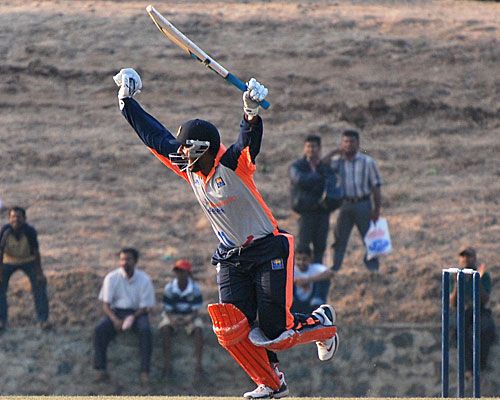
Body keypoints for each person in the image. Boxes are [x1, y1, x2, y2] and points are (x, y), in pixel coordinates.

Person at [113, 68, 339, 399]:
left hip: (267, 249)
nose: (181, 154)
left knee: (275, 332)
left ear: (203, 148)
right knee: (233, 329)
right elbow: (154, 136)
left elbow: (248, 143)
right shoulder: (189, 168)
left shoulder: (233, 165)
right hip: (232, 256)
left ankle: (323, 324)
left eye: (187, 148)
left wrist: (250, 112)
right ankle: (271, 382)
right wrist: (126, 101)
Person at [93, 247, 155, 385]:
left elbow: (146, 306)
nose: (124, 262)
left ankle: (145, 372)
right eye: (122, 259)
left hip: (138, 313)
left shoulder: (144, 279)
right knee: (99, 330)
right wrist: (115, 320)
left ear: (135, 261)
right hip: (116, 312)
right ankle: (100, 369)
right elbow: (106, 305)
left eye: (128, 259)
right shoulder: (111, 277)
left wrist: (132, 317)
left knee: (145, 331)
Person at [325, 129, 383, 271]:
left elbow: (376, 187)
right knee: (339, 239)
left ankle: (373, 269)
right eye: (345, 142)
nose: (348, 145)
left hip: (363, 204)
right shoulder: (337, 162)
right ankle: (335, 268)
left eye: (352, 142)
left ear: (358, 143)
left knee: (370, 239)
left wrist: (376, 209)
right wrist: (334, 152)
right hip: (344, 204)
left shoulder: (367, 162)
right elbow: (321, 166)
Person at [0, 206, 50, 331]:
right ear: (9, 219)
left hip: (28, 261)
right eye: (13, 217)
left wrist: (39, 273)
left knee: (39, 285)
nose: (16, 219)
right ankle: (2, 321)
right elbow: (0, 252)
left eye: (19, 217)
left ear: (24, 219)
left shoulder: (30, 231)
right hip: (8, 261)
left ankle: (43, 320)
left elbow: (36, 252)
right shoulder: (4, 231)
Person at [450, 246, 496, 378]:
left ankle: (480, 367)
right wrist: (457, 284)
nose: (465, 259)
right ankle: (469, 369)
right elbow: (453, 303)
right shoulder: (454, 275)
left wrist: (477, 280)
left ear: (474, 258)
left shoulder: (483, 275)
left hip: (479, 309)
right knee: (460, 331)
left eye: (468, 256)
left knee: (486, 328)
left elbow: (485, 299)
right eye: (463, 256)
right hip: (463, 310)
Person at [289, 135, 333, 264]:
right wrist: (319, 179)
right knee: (302, 247)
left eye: (314, 146)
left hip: (322, 212)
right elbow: (299, 180)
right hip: (305, 212)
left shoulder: (325, 167)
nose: (311, 149)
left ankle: (317, 278)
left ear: (319, 148)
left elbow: (331, 183)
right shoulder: (297, 166)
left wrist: (312, 181)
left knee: (320, 247)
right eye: (308, 146)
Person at [159, 259, 204, 378]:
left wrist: (188, 320)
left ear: (188, 273)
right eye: (177, 271)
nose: (179, 274)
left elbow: (196, 310)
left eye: (182, 271)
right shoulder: (169, 288)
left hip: (190, 316)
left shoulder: (195, 289)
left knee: (198, 329)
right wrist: (173, 320)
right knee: (165, 329)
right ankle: (167, 366)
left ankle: (198, 366)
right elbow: (167, 309)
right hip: (173, 315)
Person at [292, 248, 333, 314]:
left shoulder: (314, 268)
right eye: (298, 259)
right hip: (295, 302)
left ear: (310, 259)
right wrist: (295, 281)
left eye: (304, 259)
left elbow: (330, 273)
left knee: (323, 280)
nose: (301, 262)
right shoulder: (292, 270)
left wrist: (308, 280)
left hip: (312, 302)